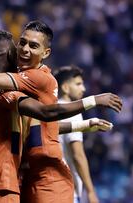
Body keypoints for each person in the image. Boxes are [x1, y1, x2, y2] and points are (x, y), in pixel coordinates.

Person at [0, 30, 122, 203]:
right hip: (0, 179)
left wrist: (84, 125)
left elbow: (38, 126)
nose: (22, 52)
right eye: (17, 48)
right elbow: (46, 113)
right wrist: (94, 100)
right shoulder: (6, 94)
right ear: (9, 54)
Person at [54, 65, 99, 203]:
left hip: (47, 187)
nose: (83, 89)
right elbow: (77, 155)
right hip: (67, 190)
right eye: (78, 84)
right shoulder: (72, 112)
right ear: (65, 87)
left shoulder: (47, 110)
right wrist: (90, 191)